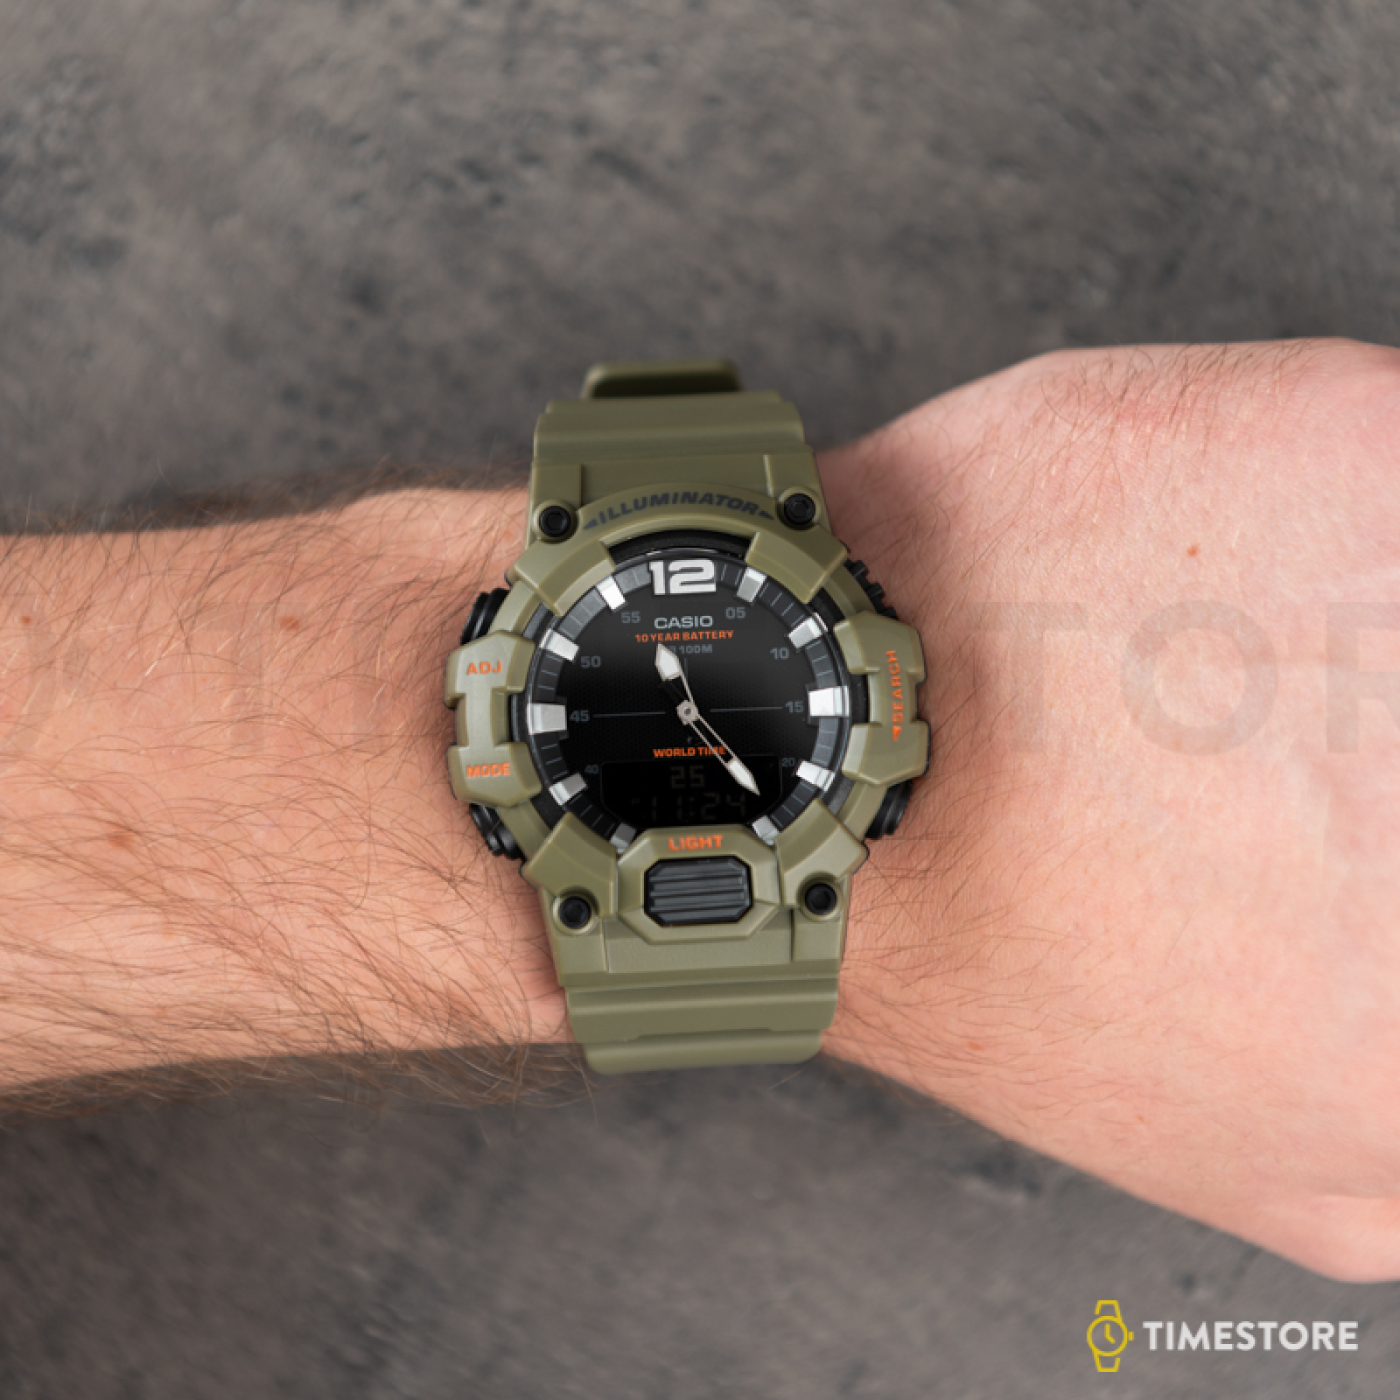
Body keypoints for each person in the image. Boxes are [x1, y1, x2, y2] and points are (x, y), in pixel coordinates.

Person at [2, 338, 1397, 1282]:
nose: (677, 712)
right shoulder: (541, 724)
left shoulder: (770, 704)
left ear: (887, 692)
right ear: (489, 732)